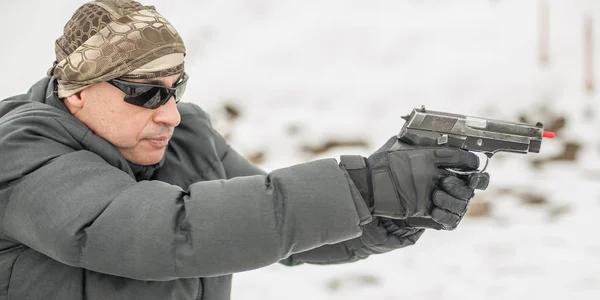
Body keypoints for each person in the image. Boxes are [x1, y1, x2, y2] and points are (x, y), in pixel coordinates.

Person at [0, 1, 490, 299]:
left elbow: (270, 225)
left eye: (175, 88)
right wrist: (358, 185)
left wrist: (384, 212)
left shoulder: (183, 134)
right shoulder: (21, 152)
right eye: (144, 92)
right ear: (76, 90)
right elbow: (165, 231)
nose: (169, 112)